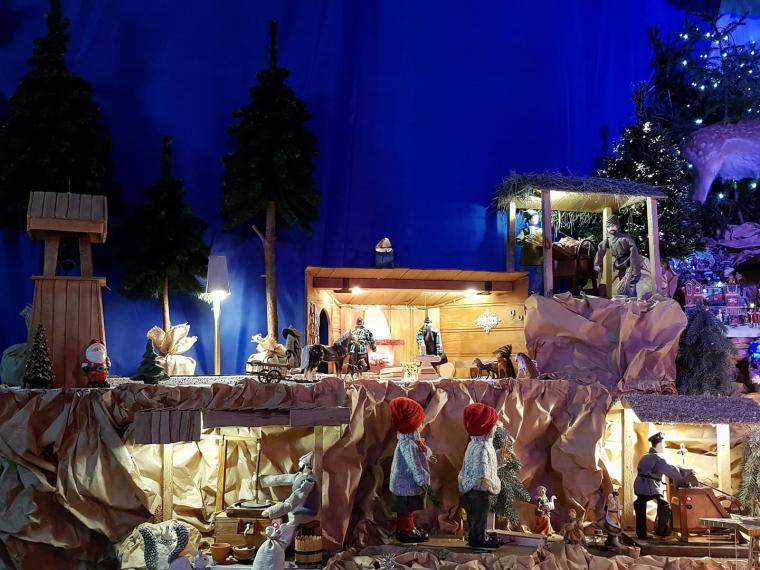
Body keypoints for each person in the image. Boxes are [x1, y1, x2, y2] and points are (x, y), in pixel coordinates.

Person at [389, 397, 434, 544]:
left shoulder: (410, 441)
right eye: (419, 422)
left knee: (407, 509)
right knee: (406, 509)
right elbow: (414, 464)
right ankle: (406, 531)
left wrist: (424, 450)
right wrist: (422, 479)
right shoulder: (408, 444)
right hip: (405, 485)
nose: (421, 424)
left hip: (404, 484)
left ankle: (407, 528)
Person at [633, 432, 694, 539]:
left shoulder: (645, 456)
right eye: (663, 444)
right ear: (659, 444)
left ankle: (641, 533)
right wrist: (688, 471)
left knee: (640, 504)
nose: (664, 446)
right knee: (664, 505)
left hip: (639, 485)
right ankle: (661, 531)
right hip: (649, 486)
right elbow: (671, 470)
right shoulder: (658, 458)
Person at [459, 403, 501, 550]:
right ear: (487, 428)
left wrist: (499, 458)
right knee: (479, 515)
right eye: (494, 425)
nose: (496, 427)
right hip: (479, 489)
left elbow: (488, 464)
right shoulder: (482, 447)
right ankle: (478, 538)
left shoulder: (477, 443)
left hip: (475, 488)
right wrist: (488, 482)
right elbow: (482, 470)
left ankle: (477, 536)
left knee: (476, 515)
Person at [594, 215, 642, 297]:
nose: (611, 228)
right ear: (606, 228)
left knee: (630, 283)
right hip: (619, 265)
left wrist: (635, 268)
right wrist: (597, 263)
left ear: (618, 226)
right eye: (609, 226)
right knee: (622, 284)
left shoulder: (625, 238)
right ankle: (624, 300)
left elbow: (634, 253)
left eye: (614, 225)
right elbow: (601, 250)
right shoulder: (608, 240)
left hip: (629, 263)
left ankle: (632, 300)